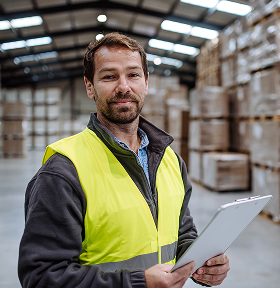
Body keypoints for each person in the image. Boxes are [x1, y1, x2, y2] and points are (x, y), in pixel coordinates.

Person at [18, 32, 230, 288]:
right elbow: (41, 277)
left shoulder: (170, 160)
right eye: (109, 76)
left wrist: (202, 263)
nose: (123, 87)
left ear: (146, 83)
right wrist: (139, 283)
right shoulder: (63, 172)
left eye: (133, 75)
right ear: (89, 86)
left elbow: (181, 233)